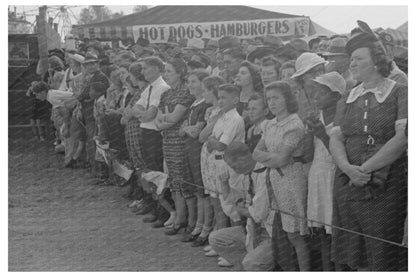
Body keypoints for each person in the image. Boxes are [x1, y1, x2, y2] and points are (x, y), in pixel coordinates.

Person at [329, 27, 408, 271]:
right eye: (351, 59)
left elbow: (403, 138)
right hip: (347, 181)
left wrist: (365, 169)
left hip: (385, 182)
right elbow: (336, 138)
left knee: (381, 247)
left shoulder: (399, 91)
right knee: (353, 245)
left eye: (359, 58)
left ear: (376, 61)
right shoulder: (348, 96)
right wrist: (348, 169)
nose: (352, 63)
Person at [253, 81, 311, 271]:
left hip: (291, 180)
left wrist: (271, 158)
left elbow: (282, 159)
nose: (272, 102)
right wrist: (274, 158)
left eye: (276, 97)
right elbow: (255, 152)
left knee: (296, 234)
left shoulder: (294, 124)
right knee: (284, 231)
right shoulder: (269, 124)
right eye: (268, 99)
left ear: (287, 98)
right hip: (275, 179)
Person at [209, 142, 275, 270]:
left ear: (243, 158)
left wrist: (241, 209)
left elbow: (258, 214)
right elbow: (231, 203)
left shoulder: (264, 173)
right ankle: (243, 268)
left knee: (251, 262)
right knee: (216, 238)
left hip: (271, 233)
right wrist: (224, 184)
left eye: (234, 166)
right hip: (252, 230)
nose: (234, 170)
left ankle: (254, 264)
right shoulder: (246, 175)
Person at [305, 72, 346, 271]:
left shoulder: (342, 117)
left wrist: (321, 133)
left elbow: (339, 154)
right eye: (315, 92)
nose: (316, 97)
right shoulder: (317, 115)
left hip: (334, 175)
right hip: (317, 174)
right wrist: (309, 130)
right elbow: (307, 153)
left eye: (322, 93)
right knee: (320, 229)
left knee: (336, 231)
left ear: (336, 96)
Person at [154, 58, 196, 239]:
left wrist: (166, 120)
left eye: (169, 71)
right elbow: (160, 120)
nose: (166, 75)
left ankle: (191, 221)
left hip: (181, 143)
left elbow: (173, 118)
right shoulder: (166, 94)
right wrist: (166, 120)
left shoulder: (186, 92)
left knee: (185, 182)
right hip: (167, 141)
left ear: (180, 72)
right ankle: (179, 217)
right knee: (174, 182)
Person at [132, 56, 169, 217]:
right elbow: (135, 108)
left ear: (155, 68)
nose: (142, 71)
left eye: (145, 68)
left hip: (154, 134)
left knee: (157, 171)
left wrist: (141, 114)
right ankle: (155, 205)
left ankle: (163, 210)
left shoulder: (161, 87)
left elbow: (149, 115)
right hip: (145, 131)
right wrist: (141, 114)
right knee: (149, 170)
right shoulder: (149, 87)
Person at [179, 69, 212, 244]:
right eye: (189, 82)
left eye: (194, 81)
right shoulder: (194, 104)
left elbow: (195, 132)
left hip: (199, 151)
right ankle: (198, 225)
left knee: (202, 191)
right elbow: (182, 130)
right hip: (189, 151)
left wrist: (186, 129)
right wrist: (186, 129)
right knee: (195, 189)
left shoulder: (205, 105)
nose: (190, 85)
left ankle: (205, 227)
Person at [198, 76, 227, 255]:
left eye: (205, 89)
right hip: (207, 157)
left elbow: (203, 135)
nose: (203, 93)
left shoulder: (223, 113)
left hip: (218, 158)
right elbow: (203, 137)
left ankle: (222, 242)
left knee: (221, 201)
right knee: (213, 199)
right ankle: (217, 236)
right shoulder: (210, 111)